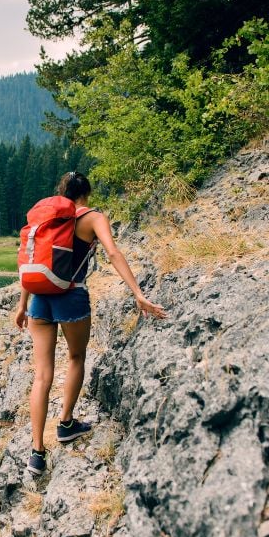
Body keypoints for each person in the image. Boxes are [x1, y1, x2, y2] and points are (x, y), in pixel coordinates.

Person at [13, 171, 167, 475]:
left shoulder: (47, 220)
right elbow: (112, 251)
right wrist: (138, 293)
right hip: (71, 296)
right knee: (76, 356)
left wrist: (22, 305)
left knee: (42, 375)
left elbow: (35, 261)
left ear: (61, 192)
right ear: (87, 193)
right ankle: (66, 424)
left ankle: (36, 452)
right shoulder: (92, 217)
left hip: (39, 299)